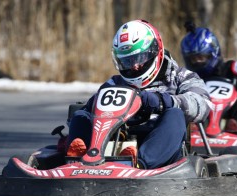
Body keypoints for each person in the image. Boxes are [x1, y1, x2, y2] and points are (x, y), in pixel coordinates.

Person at [66, 19, 212, 169]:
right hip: (116, 139)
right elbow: (92, 110)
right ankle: (80, 158)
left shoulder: (182, 77)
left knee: (175, 115)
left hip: (162, 148)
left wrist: (163, 101)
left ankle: (140, 163)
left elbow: (202, 104)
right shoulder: (114, 83)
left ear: (155, 51)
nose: (134, 66)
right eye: (128, 61)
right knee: (81, 116)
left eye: (139, 58)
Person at [180, 21, 237, 139]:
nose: (198, 62)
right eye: (194, 59)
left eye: (201, 57)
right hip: (201, 129)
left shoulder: (236, 68)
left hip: (234, 120)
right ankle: (192, 131)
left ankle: (236, 128)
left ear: (213, 53)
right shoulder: (189, 77)